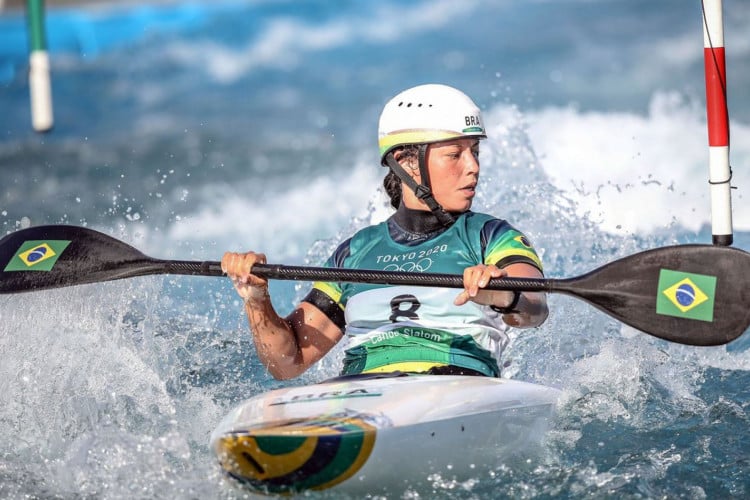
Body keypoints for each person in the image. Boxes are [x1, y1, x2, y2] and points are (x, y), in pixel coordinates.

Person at [222, 83, 548, 380]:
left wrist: (500, 293)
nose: (473, 166)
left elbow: (534, 307)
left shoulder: (490, 236)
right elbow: (287, 362)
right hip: (360, 392)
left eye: (474, 151)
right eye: (454, 154)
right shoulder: (355, 252)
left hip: (457, 387)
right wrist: (257, 300)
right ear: (406, 162)